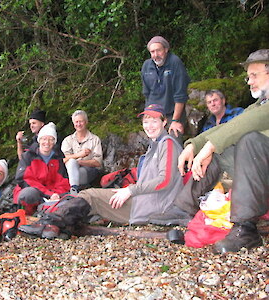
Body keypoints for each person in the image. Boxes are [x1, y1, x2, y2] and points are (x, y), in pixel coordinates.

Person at [19, 104, 184, 238]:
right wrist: (126, 190)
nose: (149, 126)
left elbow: (165, 180)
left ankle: (49, 223)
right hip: (145, 200)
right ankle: (57, 227)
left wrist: (130, 190)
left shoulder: (167, 144)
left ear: (164, 122)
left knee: (90, 196)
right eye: (146, 121)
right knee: (92, 201)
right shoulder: (155, 145)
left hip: (152, 206)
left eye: (154, 121)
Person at [165, 49, 269, 254]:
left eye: (254, 75)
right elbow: (229, 126)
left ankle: (245, 229)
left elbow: (242, 126)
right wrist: (193, 145)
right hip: (259, 173)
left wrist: (209, 146)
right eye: (248, 77)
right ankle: (186, 211)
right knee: (218, 151)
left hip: (261, 172)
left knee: (248, 141)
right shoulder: (259, 105)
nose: (249, 81)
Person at [13, 122, 70, 215]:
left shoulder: (58, 158)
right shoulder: (28, 156)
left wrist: (56, 195)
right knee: (28, 194)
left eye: (51, 139)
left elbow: (64, 182)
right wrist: (48, 194)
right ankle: (26, 216)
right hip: (34, 192)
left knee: (70, 197)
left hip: (51, 194)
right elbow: (25, 180)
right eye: (44, 139)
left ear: (54, 142)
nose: (47, 143)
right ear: (39, 140)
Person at [141, 36, 190, 142]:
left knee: (173, 142)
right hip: (155, 114)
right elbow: (147, 94)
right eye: (152, 52)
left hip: (173, 113)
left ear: (166, 49)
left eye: (158, 50)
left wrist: (175, 120)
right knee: (154, 146)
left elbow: (180, 96)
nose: (156, 55)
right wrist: (148, 119)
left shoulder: (175, 62)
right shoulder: (146, 66)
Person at [61, 110, 103, 194]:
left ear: (86, 122)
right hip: (70, 171)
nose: (79, 124)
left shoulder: (94, 139)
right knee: (71, 163)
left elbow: (98, 163)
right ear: (73, 124)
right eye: (76, 122)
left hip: (89, 171)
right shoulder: (68, 140)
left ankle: (73, 189)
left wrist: (79, 162)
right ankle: (74, 188)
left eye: (81, 121)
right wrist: (79, 155)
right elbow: (63, 160)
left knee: (74, 169)